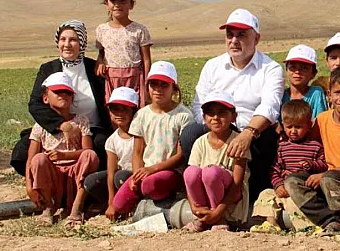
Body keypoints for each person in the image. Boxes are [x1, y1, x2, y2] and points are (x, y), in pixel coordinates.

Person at [180, 9, 284, 202]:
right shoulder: (213, 66)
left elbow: (270, 106)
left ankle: (252, 193)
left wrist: (248, 133)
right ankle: (200, 192)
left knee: (269, 135)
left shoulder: (270, 69)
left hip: (251, 132)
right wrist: (216, 128)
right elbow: (198, 104)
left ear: (257, 38)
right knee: (189, 134)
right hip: (216, 127)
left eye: (242, 35)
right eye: (230, 35)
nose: (234, 41)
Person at [12, 20, 111, 175]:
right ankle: (47, 183)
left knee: (101, 146)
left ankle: (90, 187)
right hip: (57, 128)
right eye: (63, 39)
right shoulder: (48, 69)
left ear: (82, 43)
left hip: (91, 128)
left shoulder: (94, 68)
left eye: (73, 40)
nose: (67, 44)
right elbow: (35, 104)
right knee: (22, 151)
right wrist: (62, 125)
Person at [286, 67, 340, 235]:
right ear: (329, 94)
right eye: (337, 93)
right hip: (328, 180)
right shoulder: (322, 119)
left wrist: (324, 175)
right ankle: (330, 221)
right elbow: (304, 137)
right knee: (292, 182)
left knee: (329, 178)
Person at [112, 61, 193, 215]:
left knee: (151, 186)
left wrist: (153, 169)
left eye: (164, 85)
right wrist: (137, 174)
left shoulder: (183, 116)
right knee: (118, 206)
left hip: (170, 170)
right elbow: (137, 152)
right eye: (153, 84)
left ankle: (167, 197)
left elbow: (180, 155)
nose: (158, 90)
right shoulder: (142, 115)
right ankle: (149, 201)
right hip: (146, 170)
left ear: (174, 88)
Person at [25, 72, 99, 227]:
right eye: (57, 92)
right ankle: (48, 207)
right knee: (39, 159)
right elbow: (30, 159)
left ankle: (77, 207)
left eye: (67, 92)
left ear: (72, 98)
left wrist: (64, 155)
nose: (63, 95)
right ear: (45, 98)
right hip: (53, 175)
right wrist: (29, 185)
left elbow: (87, 150)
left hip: (75, 171)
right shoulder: (40, 126)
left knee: (90, 156)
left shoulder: (80, 121)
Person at [251, 100, 326, 233]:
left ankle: (307, 228)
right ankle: (271, 224)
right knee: (265, 194)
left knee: (295, 203)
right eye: (289, 127)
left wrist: (312, 165)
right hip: (282, 189)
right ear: (283, 125)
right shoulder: (282, 147)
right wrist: (278, 185)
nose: (293, 131)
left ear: (309, 125)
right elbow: (275, 169)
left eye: (298, 127)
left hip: (301, 190)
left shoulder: (315, 146)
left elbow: (324, 165)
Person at [183, 92, 250, 232]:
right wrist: (194, 207)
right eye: (210, 114)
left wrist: (218, 212)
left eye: (221, 113)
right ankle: (203, 217)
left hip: (231, 198)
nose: (215, 118)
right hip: (205, 199)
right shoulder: (200, 142)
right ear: (204, 117)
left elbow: (237, 184)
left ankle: (219, 219)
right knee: (190, 172)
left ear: (234, 116)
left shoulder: (238, 142)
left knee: (210, 172)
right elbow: (190, 180)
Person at [95, 0, 153, 107]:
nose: (117, 4)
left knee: (135, 110)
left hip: (134, 78)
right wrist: (100, 62)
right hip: (111, 79)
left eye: (122, 0)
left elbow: (147, 60)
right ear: (106, 4)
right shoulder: (102, 30)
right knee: (114, 111)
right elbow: (102, 53)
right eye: (113, 0)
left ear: (131, 4)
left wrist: (147, 85)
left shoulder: (140, 30)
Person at [83, 87, 138, 220]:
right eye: (115, 109)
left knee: (121, 176)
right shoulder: (112, 141)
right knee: (91, 181)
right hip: (119, 178)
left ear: (134, 111)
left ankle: (132, 206)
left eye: (125, 109)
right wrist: (111, 202)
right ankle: (113, 205)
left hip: (136, 177)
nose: (119, 113)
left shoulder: (140, 134)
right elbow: (111, 171)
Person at [281, 45, 328, 120]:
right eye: (293, 67)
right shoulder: (281, 95)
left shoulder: (316, 93)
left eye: (304, 68)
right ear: (286, 70)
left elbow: (321, 121)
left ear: (313, 73)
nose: (297, 72)